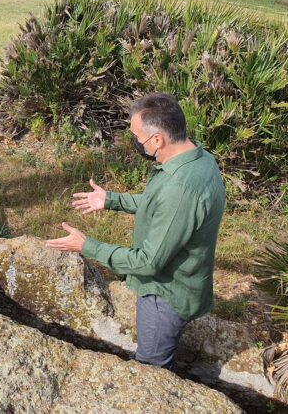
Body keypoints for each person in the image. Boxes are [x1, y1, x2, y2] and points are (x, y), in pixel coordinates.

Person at [46, 93, 226, 370]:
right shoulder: (199, 159)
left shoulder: (180, 187)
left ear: (157, 140)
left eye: (136, 137)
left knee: (150, 367)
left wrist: (86, 246)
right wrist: (111, 200)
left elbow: (148, 261)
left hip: (164, 294)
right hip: (182, 282)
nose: (134, 142)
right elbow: (164, 208)